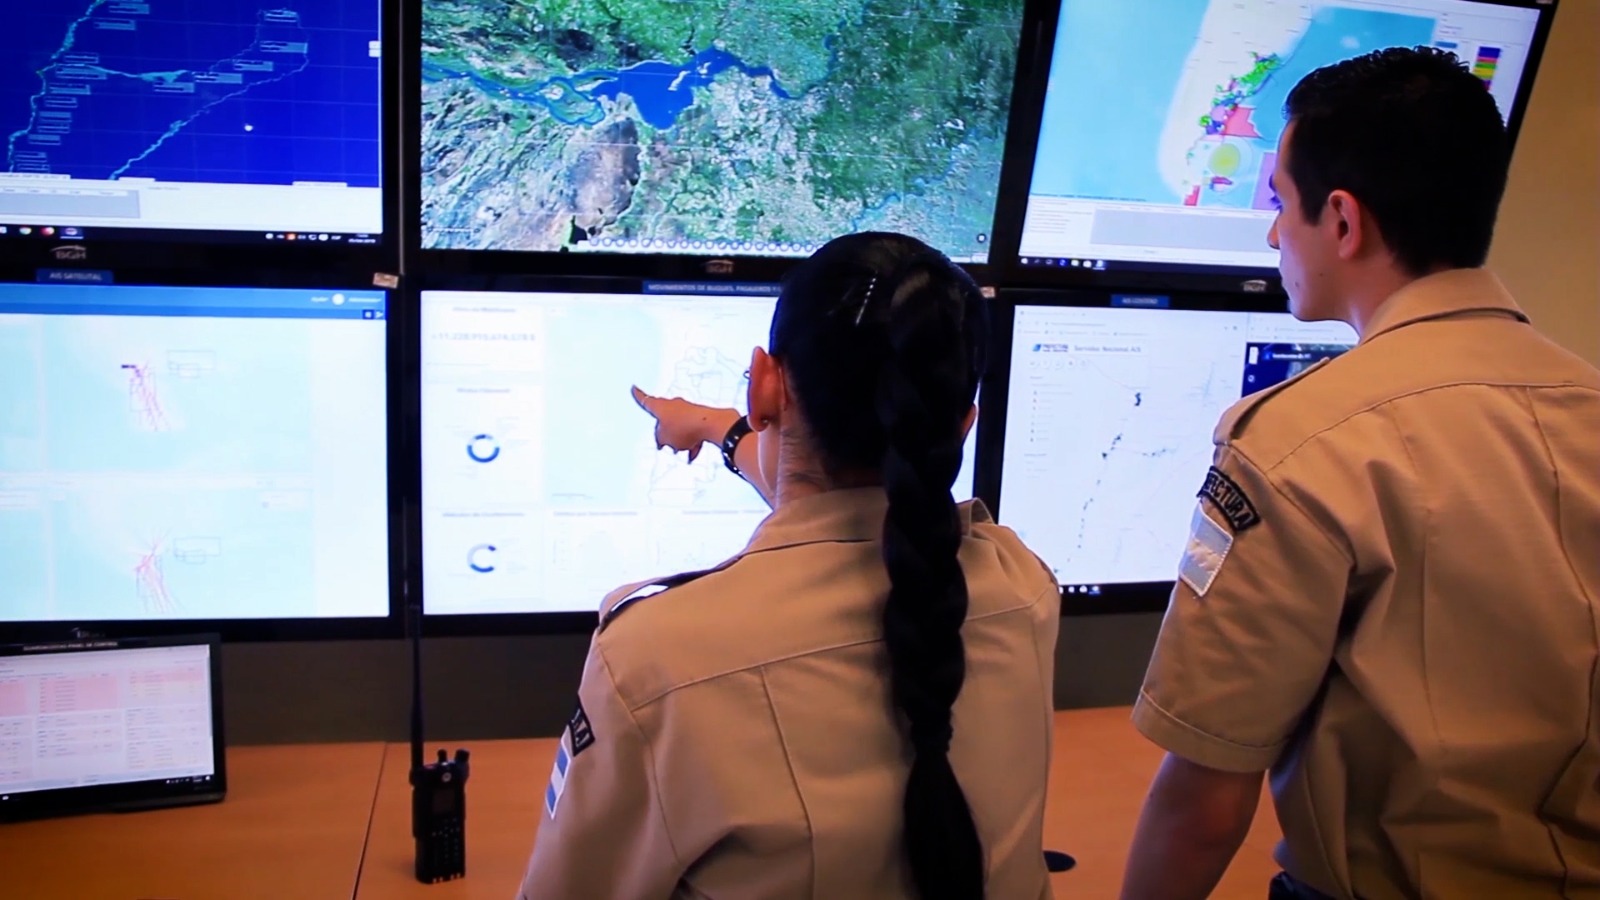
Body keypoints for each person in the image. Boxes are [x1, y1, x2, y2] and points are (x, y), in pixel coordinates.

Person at [1120, 46, 1600, 900]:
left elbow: (1205, 801)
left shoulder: (1297, 442)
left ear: (1342, 220)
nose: (1275, 234)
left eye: (1281, 204)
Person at [518, 232, 1061, 899]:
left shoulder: (655, 662)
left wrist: (745, 423)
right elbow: (845, 501)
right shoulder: (1024, 589)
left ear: (766, 384)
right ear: (963, 424)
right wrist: (722, 428)